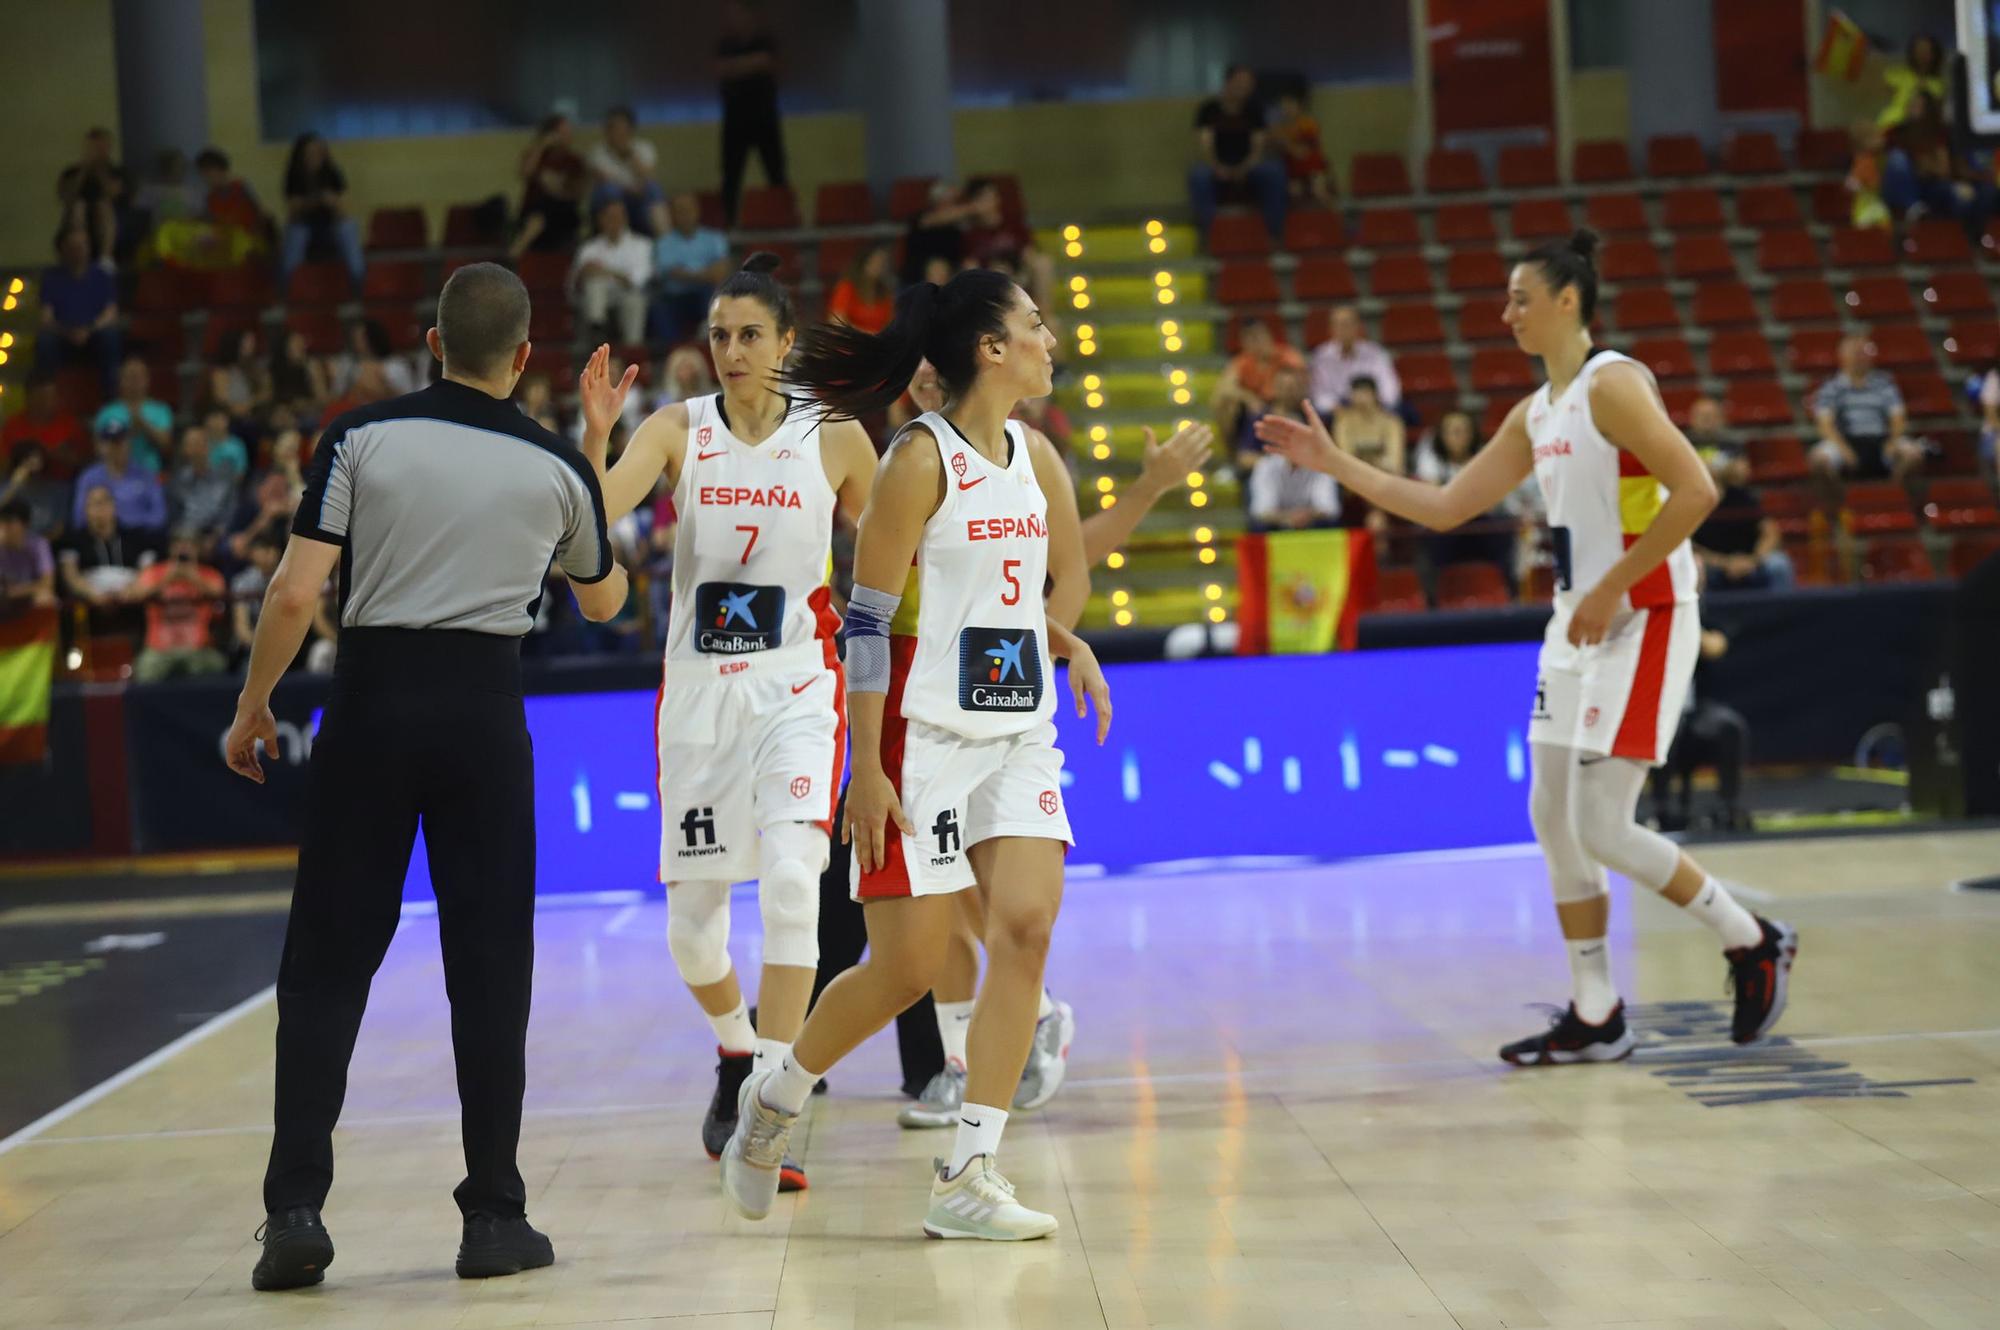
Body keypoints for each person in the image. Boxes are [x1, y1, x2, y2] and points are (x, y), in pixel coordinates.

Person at [1257, 229, 1798, 1062]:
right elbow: (1442, 507)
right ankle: (1596, 1009)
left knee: (1604, 826)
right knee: (1551, 816)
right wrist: (1334, 463)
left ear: (1568, 301)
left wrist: (1616, 585)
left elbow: (1697, 490)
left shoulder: (1611, 384)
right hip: (1575, 623)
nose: (1505, 312)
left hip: (1644, 614)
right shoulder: (1535, 411)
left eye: (1520, 298)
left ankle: (1750, 938)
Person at [225, 262, 630, 1291]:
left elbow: (292, 590)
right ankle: (493, 1213)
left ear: (433, 341)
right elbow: (603, 602)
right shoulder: (553, 466)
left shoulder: (361, 437)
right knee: (490, 968)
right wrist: (589, 456)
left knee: (325, 964)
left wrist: (253, 703)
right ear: (525, 357)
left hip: (371, 707)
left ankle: (294, 1213)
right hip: (485, 720)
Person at [718, 267, 1110, 1241]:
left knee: (1024, 928)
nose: (1047, 339)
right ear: (989, 348)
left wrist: (1065, 641)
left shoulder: (1039, 458)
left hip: (1018, 734)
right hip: (921, 737)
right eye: (1032, 324)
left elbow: (1061, 578)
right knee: (904, 965)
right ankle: (776, 1096)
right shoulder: (915, 460)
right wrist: (867, 765)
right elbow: (864, 618)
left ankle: (967, 1170)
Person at [591, 254, 877, 1192]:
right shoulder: (678, 429)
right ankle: (731, 1044)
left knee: (796, 884)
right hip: (701, 691)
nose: (733, 351)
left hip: (799, 683)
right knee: (693, 931)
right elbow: (592, 519)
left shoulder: (834, 437)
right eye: (720, 335)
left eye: (751, 334)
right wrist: (596, 440)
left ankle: (771, 1102)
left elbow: (897, 550)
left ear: (787, 344)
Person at [1648, 627, 1751, 834]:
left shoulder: (1693, 613)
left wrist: (1687, 628)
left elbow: (1716, 646)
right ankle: (1662, 810)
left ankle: (1728, 807)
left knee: (1730, 727)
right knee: (1667, 731)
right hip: (1658, 706)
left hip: (1695, 708)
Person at [1808, 335, 1922, 502]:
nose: (1860, 358)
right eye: (1855, 353)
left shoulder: (1884, 384)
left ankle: (1893, 497)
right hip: (1845, 440)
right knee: (1819, 461)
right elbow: (1825, 424)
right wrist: (1844, 449)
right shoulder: (1831, 387)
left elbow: (1898, 418)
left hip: (1881, 438)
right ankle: (1841, 504)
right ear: (1843, 357)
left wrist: (1891, 442)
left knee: (1913, 455)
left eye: (1863, 353)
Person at [1188, 64, 1287, 242]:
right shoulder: (1209, 109)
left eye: (1249, 83)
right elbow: (1204, 145)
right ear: (1228, 82)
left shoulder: (1254, 110)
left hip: (1249, 165)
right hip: (1217, 164)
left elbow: (1258, 145)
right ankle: (1208, 235)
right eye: (1240, 82)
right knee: (1198, 176)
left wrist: (1245, 167)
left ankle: (1274, 234)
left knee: (1274, 171)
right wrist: (1217, 167)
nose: (1245, 87)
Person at [716, 0, 788, 225]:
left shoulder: (765, 41)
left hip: (765, 118)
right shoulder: (725, 44)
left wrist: (736, 67)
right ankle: (729, 223)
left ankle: (784, 219)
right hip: (735, 121)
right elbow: (721, 69)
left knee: (776, 173)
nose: (736, 19)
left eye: (740, 14)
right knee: (731, 177)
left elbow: (768, 62)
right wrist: (752, 64)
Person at [57, 483, 156, 639]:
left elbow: (148, 571)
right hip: (92, 603)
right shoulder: (73, 540)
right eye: (93, 504)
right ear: (85, 510)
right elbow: (71, 576)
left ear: (114, 506)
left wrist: (132, 589)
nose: (99, 509)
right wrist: (93, 595)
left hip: (131, 601)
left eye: (104, 502)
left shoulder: (137, 537)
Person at [130, 529, 228, 682]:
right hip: (159, 649)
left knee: (216, 664)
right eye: (179, 544)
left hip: (198, 648)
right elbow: (137, 595)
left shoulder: (209, 573)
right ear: (171, 548)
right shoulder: (155, 572)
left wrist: (193, 578)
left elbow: (219, 594)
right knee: (145, 669)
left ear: (197, 549)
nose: (183, 548)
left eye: (189, 544)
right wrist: (168, 579)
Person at [38, 225, 124, 395]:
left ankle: (111, 397)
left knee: (111, 337)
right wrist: (68, 332)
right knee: (45, 342)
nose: (78, 251)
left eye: (82, 246)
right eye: (73, 247)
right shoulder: (51, 278)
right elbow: (46, 318)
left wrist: (89, 329)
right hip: (63, 335)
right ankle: (48, 394)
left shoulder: (101, 275)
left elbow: (111, 313)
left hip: (94, 332)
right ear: (63, 249)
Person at [1693, 453, 1793, 592]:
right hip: (1715, 564)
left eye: (1716, 481)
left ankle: (1784, 612)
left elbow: (1770, 532)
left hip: (1751, 560)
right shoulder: (1693, 505)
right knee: (1694, 566)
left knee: (1779, 564)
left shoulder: (1740, 496)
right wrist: (1725, 563)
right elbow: (1692, 547)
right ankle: (1701, 613)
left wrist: (1754, 560)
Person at [280, 133, 364, 283]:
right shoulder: (294, 175)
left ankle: (358, 280)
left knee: (349, 227)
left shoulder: (332, 172)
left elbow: (343, 206)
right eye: (310, 153)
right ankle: (290, 283)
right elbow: (293, 209)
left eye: (318, 152)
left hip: (331, 223)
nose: (315, 156)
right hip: (304, 224)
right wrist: (314, 201)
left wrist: (332, 202)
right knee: (296, 234)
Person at [653, 192, 734, 345]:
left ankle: (708, 340)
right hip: (675, 298)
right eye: (680, 211)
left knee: (715, 295)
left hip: (706, 293)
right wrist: (706, 273)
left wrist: (688, 274)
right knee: (659, 307)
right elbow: (671, 272)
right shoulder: (664, 243)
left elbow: (721, 270)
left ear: (697, 211)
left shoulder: (715, 238)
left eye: (688, 210)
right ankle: (672, 350)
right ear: (673, 215)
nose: (685, 215)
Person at [572, 200, 653, 347]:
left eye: (618, 216)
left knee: (635, 301)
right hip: (598, 299)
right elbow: (577, 281)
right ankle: (597, 330)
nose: (613, 221)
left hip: (628, 294)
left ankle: (633, 349)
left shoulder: (642, 245)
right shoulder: (589, 248)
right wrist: (616, 275)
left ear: (625, 219)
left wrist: (605, 271)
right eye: (609, 217)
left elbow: (636, 281)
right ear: (600, 220)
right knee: (594, 285)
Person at [1213, 319, 1304, 447]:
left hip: (1284, 402)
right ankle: (1234, 452)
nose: (1256, 343)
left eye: (1258, 337)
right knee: (1224, 404)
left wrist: (1276, 401)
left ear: (1268, 336)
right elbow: (1225, 389)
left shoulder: (1287, 356)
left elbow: (1299, 384)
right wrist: (1248, 397)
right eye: (1250, 339)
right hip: (1257, 407)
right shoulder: (1243, 361)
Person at [511, 114, 587, 259]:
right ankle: (516, 253)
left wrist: (558, 188)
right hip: (533, 209)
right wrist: (541, 146)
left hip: (563, 210)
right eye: (562, 133)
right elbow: (525, 173)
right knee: (541, 210)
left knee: (551, 206)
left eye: (568, 132)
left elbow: (578, 193)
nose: (567, 136)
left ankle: (515, 251)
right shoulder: (537, 155)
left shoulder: (574, 160)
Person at [72, 421, 166, 535]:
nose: (116, 447)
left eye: (120, 441)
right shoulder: (89, 477)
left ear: (129, 443)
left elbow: (159, 516)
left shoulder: (146, 475)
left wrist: (122, 523)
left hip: (140, 537)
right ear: (100, 446)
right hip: (99, 537)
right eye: (111, 442)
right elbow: (79, 518)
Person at [1309, 305, 1402, 418]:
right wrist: (1335, 407)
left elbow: (1390, 387)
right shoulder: (1321, 356)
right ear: (1331, 329)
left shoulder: (1375, 353)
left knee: (1397, 411)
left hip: (1374, 404)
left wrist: (1377, 402)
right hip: (1339, 408)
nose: (1344, 329)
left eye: (1348, 324)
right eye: (1339, 325)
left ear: (1358, 327)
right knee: (1319, 414)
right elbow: (1319, 394)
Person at [587, 106, 666, 236]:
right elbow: (604, 180)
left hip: (639, 201)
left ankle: (665, 241)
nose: (618, 133)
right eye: (614, 128)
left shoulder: (644, 147)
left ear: (630, 130)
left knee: (653, 188)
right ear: (607, 131)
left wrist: (629, 154)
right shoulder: (597, 152)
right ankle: (617, 238)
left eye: (623, 128)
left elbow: (649, 177)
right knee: (609, 190)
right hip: (611, 201)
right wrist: (631, 190)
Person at [55, 127, 131, 261]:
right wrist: (84, 169)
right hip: (79, 218)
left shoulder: (117, 172)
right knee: (79, 206)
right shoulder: (72, 172)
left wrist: (99, 170)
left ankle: (105, 258)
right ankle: (79, 253)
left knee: (103, 206)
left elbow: (113, 193)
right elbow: (66, 196)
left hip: (110, 220)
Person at [92, 358, 174, 474]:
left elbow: (166, 446)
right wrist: (124, 435)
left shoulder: (160, 410)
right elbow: (98, 449)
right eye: (129, 377)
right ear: (120, 380)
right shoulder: (107, 412)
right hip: (115, 476)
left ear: (147, 380)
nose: (134, 382)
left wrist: (143, 424)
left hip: (150, 474)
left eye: (138, 377)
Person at [3, 371, 89, 483]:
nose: (46, 402)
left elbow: (85, 461)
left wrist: (56, 454)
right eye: (40, 397)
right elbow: (3, 463)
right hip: (20, 484)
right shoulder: (13, 425)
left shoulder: (69, 424)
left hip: (59, 485)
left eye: (50, 397)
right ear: (28, 397)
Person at [1270, 89, 1334, 208]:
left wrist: (1286, 143)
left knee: (1319, 191)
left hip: (1312, 166)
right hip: (1292, 169)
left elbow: (1304, 151)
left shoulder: (1308, 123)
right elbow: (1277, 147)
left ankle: (1335, 219)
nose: (1287, 109)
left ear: (1299, 106)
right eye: (1284, 106)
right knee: (1293, 193)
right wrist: (1283, 143)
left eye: (1291, 104)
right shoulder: (1278, 128)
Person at [230, 529, 285, 657]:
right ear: (252, 553)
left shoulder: (286, 579)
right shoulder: (242, 582)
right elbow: (241, 626)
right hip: (251, 644)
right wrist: (261, 648)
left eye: (272, 549)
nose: (269, 554)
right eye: (263, 549)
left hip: (282, 641)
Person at [1878, 34, 1946, 129]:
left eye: (1927, 51)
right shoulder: (1898, 74)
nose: (1922, 54)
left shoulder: (1936, 85)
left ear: (1934, 55)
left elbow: (1935, 113)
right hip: (1890, 122)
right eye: (1919, 49)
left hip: (1916, 128)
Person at [0, 500, 57, 614]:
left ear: (25, 525)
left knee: (45, 598)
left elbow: (47, 583)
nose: (5, 527)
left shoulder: (39, 545)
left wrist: (16, 592)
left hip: (28, 597)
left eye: (10, 522)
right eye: (2, 522)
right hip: (4, 600)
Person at [828, 242, 896, 334]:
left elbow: (891, 325)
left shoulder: (884, 292)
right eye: (875, 262)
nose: (879, 267)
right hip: (851, 342)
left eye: (882, 263)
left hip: (878, 344)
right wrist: (867, 334)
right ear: (863, 263)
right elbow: (836, 322)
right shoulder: (847, 287)